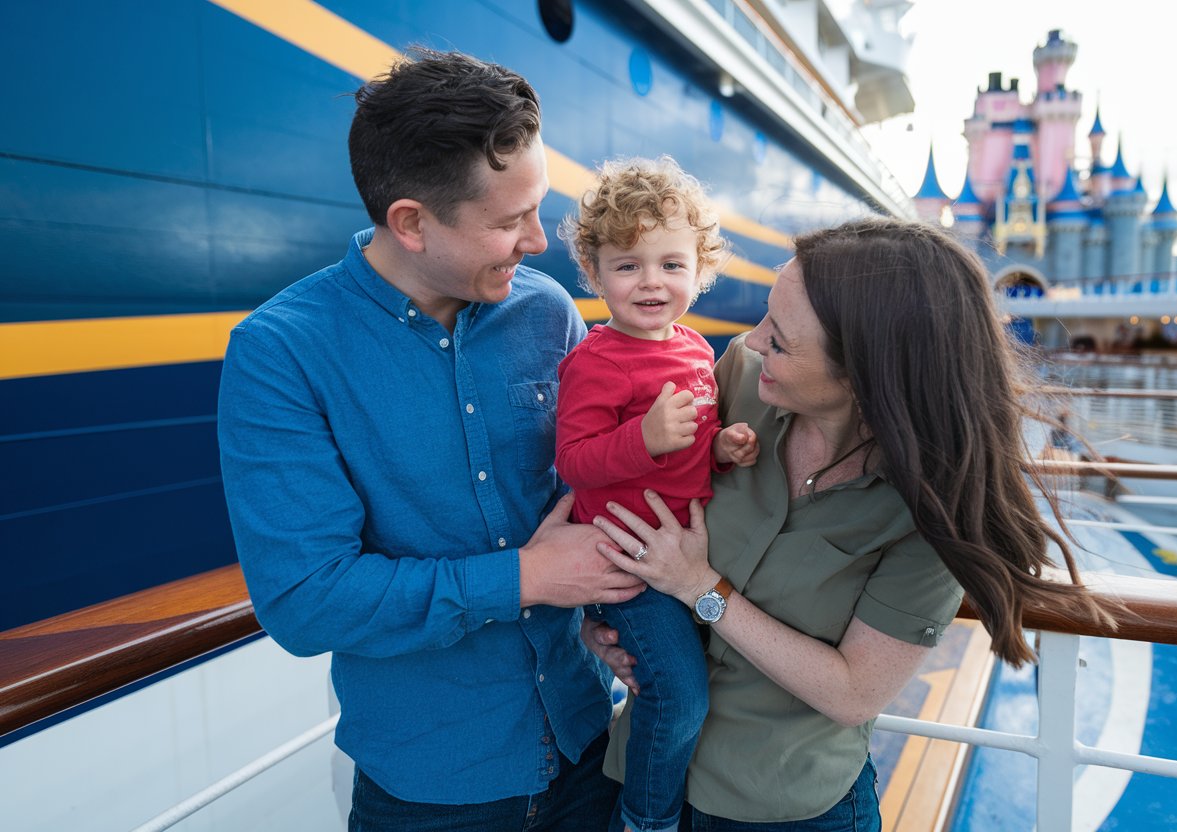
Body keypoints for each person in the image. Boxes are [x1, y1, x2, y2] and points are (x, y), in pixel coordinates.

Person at [217, 48, 645, 831]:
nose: (539, 243)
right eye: (511, 222)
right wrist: (522, 578)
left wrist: (608, 619)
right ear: (411, 222)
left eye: (539, 209)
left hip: (594, 748)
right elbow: (306, 602)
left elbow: (584, 501)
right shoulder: (280, 353)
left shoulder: (549, 314)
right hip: (433, 793)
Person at [585, 218, 1119, 830]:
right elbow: (625, 500)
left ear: (863, 375)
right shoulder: (735, 380)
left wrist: (699, 588)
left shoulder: (932, 510)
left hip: (782, 808)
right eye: (764, 318)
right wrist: (603, 630)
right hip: (646, 775)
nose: (753, 341)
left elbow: (853, 692)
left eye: (780, 341)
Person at [555, 157, 759, 832]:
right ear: (595, 273)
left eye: (671, 264)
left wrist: (721, 450)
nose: (651, 282)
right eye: (628, 264)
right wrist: (642, 437)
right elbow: (576, 463)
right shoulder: (595, 360)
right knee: (677, 697)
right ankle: (647, 820)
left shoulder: (698, 350)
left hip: (686, 553)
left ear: (700, 270)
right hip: (631, 561)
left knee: (686, 691)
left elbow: (689, 454)